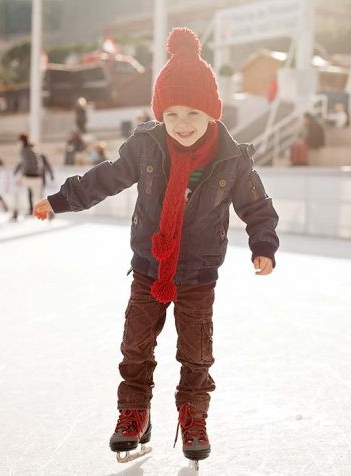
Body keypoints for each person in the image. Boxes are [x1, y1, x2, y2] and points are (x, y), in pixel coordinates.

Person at [32, 28, 279, 466]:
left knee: (197, 354)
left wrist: (263, 243)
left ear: (213, 114)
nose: (183, 124)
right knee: (136, 347)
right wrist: (59, 201)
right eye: (173, 114)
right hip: (149, 265)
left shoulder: (233, 159)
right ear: (160, 114)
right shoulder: (146, 146)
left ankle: (192, 417)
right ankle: (135, 415)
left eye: (194, 114)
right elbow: (104, 178)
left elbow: (257, 207)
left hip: (199, 273)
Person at [12, 133, 46, 220]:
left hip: (28, 177)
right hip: (38, 177)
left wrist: (20, 176)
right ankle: (50, 213)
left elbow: (25, 164)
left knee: (16, 193)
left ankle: (15, 212)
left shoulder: (24, 150)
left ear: (21, 141)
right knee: (39, 197)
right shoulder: (33, 150)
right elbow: (39, 164)